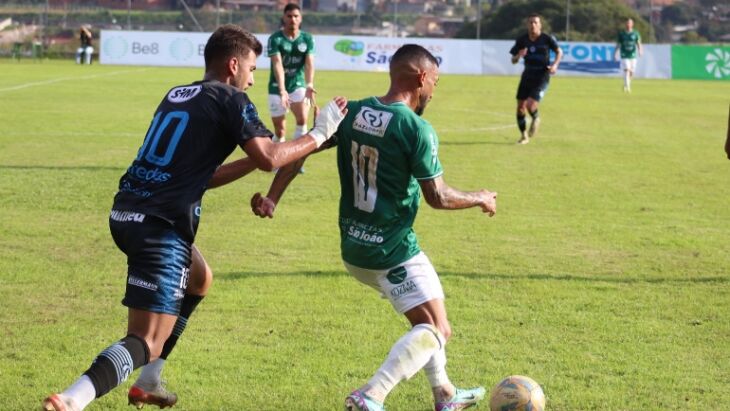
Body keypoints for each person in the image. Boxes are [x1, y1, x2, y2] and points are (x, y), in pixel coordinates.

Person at [42, 24, 347, 411]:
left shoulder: (177, 95)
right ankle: (72, 399)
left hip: (127, 211)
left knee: (200, 279)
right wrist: (318, 135)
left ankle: (149, 382)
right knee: (145, 339)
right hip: (161, 225)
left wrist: (283, 152)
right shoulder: (231, 100)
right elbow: (270, 158)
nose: (253, 80)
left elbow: (206, 175)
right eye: (252, 70)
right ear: (233, 64)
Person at [251, 44, 498, 411]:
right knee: (436, 329)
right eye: (435, 82)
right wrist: (479, 196)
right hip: (391, 249)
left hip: (354, 246)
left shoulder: (352, 112)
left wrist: (273, 197)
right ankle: (371, 394)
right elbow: (438, 196)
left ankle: (444, 394)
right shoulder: (416, 129)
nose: (433, 90)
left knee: (424, 319)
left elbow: (303, 149)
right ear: (421, 77)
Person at [509, 13, 562, 145]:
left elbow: (559, 52)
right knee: (520, 107)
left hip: (542, 75)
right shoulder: (522, 40)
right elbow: (513, 60)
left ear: (540, 25)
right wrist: (518, 56)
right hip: (527, 76)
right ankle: (523, 136)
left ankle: (536, 118)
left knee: (530, 105)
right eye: (530, 22)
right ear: (527, 25)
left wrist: (555, 65)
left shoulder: (546, 39)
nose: (533, 25)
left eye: (535, 22)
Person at [267, 3, 316, 145]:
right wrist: (282, 90)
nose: (292, 19)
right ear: (284, 17)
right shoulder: (275, 39)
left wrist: (309, 84)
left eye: (296, 16)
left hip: (297, 85)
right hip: (277, 87)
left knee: (302, 120)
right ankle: (277, 161)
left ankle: (296, 161)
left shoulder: (307, 39)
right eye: (289, 16)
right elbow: (278, 65)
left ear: (300, 18)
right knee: (280, 131)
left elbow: (309, 64)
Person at [614, 18, 642, 93]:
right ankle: (628, 88)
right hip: (624, 54)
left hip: (633, 55)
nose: (628, 24)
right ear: (625, 24)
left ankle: (626, 84)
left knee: (631, 73)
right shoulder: (622, 34)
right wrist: (615, 53)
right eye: (627, 23)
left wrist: (640, 50)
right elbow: (618, 44)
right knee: (627, 70)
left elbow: (638, 43)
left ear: (632, 24)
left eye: (629, 23)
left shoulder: (636, 33)